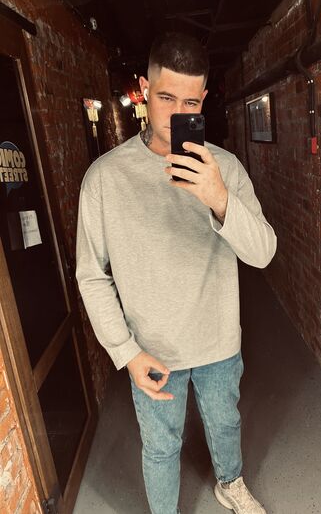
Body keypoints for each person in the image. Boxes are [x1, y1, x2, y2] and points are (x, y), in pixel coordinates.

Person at [76, 32, 277, 514]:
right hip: (153, 348)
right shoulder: (104, 177)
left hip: (218, 341)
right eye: (166, 98)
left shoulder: (224, 168)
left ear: (203, 99)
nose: (176, 113)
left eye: (190, 102)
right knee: (161, 445)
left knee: (225, 424)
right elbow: (92, 275)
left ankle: (230, 482)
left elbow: (263, 253)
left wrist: (219, 199)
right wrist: (125, 351)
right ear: (144, 89)